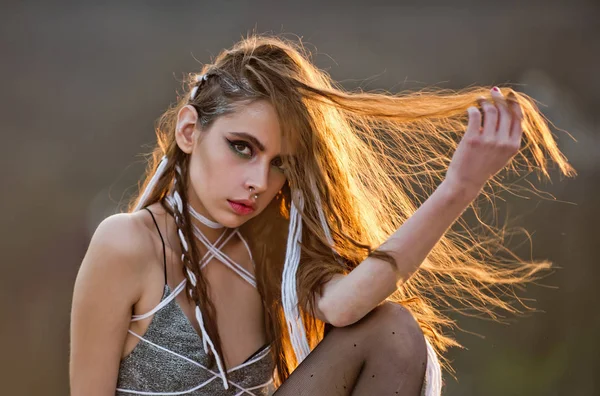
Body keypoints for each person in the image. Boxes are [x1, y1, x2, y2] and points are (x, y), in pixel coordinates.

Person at [69, 34, 574, 396]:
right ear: (188, 131)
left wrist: (460, 186)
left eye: (279, 164)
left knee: (391, 331)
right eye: (241, 147)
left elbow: (346, 308)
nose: (259, 182)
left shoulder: (271, 249)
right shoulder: (127, 246)